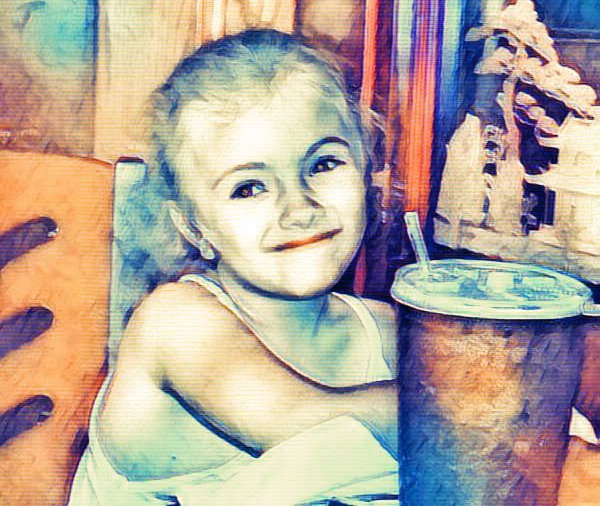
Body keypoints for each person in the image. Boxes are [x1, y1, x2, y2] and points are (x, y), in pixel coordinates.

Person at [68, 29, 399, 505]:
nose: (299, 208)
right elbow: (303, 422)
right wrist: (464, 404)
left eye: (324, 164)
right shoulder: (176, 322)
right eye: (249, 188)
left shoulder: (384, 334)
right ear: (194, 229)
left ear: (365, 169)